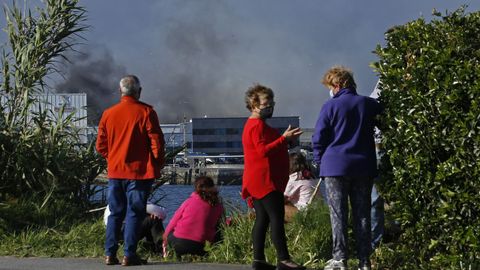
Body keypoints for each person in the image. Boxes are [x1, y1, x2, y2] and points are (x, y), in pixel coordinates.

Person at [312, 66, 382, 270]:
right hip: (363, 166)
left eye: (331, 85)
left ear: (338, 84)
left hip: (335, 167)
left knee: (338, 214)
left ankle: (339, 259)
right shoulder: (369, 104)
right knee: (362, 214)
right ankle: (364, 261)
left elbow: (319, 137)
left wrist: (318, 160)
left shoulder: (330, 106)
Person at [96, 75, 165, 266]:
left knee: (115, 212)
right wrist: (157, 163)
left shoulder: (108, 114)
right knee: (135, 212)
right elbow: (157, 143)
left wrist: (113, 158)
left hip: (116, 172)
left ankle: (110, 254)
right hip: (139, 173)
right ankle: (129, 254)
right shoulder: (146, 112)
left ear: (120, 92)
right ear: (139, 91)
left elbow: (100, 145)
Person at [242, 84, 306, 270]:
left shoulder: (257, 125)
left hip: (261, 179)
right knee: (276, 218)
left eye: (272, 102)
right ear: (254, 105)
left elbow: (269, 148)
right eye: (266, 103)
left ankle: (259, 260)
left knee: (263, 218)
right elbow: (262, 151)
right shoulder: (256, 126)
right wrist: (283, 139)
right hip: (266, 181)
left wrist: (285, 141)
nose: (270, 106)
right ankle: (284, 259)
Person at [163, 176, 224, 259]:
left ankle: (171, 255)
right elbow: (222, 225)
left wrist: (165, 239)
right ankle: (215, 253)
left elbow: (173, 222)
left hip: (179, 244)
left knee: (171, 233)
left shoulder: (189, 201)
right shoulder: (219, 206)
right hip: (202, 247)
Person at [284, 152, 320, 220]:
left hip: (305, 215)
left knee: (274, 206)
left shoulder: (295, 178)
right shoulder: (311, 176)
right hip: (316, 214)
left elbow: (280, 198)